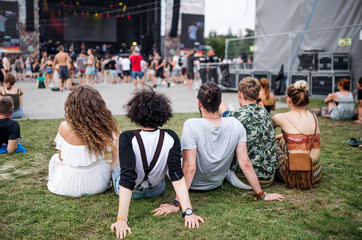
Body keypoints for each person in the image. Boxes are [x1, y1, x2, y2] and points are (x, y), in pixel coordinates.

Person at [153, 82, 284, 217]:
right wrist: (261, 194)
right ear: (220, 102)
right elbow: (245, 162)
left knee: (169, 154)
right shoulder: (235, 124)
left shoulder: (191, 125)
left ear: (199, 103)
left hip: (192, 184)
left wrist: (177, 203)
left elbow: (189, 167)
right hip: (215, 182)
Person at [110, 89, 204, 238]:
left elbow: (127, 178)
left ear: (135, 113)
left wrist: (121, 220)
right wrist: (188, 212)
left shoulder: (127, 137)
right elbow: (176, 175)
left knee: (117, 167)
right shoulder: (171, 136)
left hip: (132, 191)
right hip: (155, 190)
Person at [47, 85, 119, 197]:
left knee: (55, 158)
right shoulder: (104, 128)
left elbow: (62, 158)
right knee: (103, 164)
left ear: (71, 105)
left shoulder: (64, 126)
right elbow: (114, 153)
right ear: (98, 106)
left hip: (67, 186)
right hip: (98, 184)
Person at [219, 77, 278, 188]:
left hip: (245, 180)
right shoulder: (265, 113)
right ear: (258, 96)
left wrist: (219, 100)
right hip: (269, 177)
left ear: (239, 94)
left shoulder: (237, 116)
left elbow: (225, 113)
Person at [273, 80, 322, 189]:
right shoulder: (314, 117)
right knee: (283, 141)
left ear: (288, 99)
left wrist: (275, 138)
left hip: (292, 176)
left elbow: (266, 136)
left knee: (272, 145)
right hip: (314, 172)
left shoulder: (280, 117)